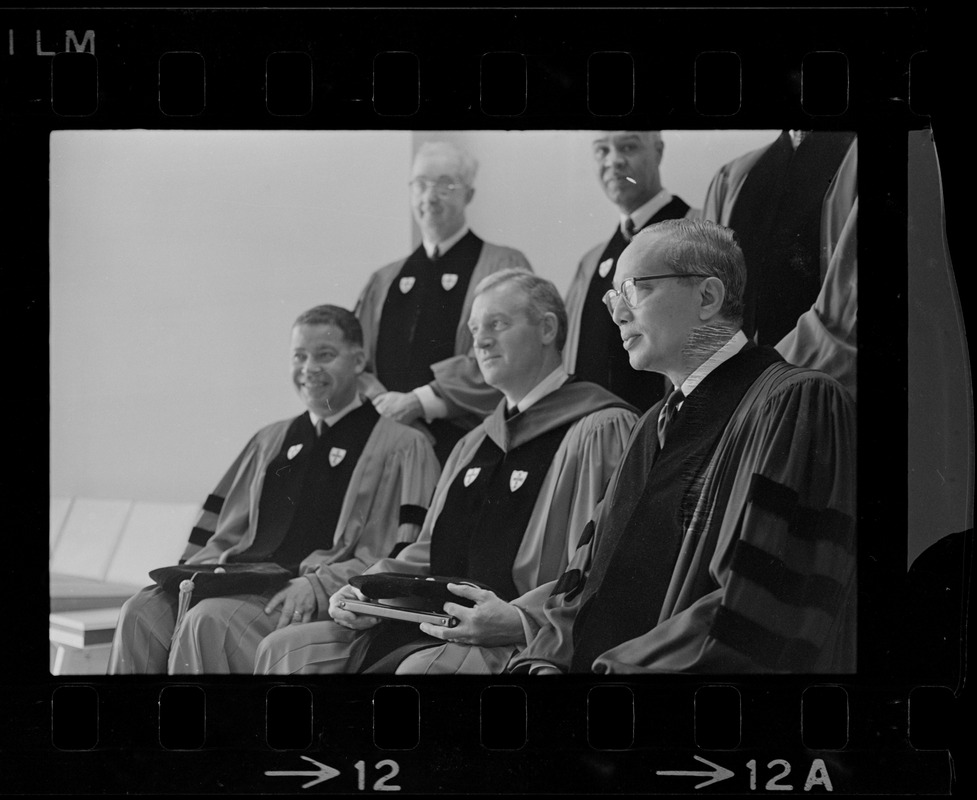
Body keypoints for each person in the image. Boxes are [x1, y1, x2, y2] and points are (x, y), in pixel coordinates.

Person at [511, 219, 857, 675]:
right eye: (613, 297)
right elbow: (587, 579)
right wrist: (544, 662)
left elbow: (754, 608)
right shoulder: (651, 425)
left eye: (634, 290)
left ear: (708, 297)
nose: (617, 313)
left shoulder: (794, 403)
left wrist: (613, 676)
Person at [254, 270, 638, 675]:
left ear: (547, 328)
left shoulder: (600, 428)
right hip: (436, 625)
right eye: (475, 329)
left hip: (525, 635)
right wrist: (367, 588)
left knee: (420, 672)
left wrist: (522, 619)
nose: (480, 341)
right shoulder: (473, 445)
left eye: (497, 324)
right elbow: (429, 552)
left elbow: (596, 567)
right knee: (285, 650)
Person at [107, 305, 440, 674]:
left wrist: (318, 584)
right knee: (138, 610)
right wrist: (194, 575)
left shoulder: (403, 447)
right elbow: (222, 533)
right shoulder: (269, 440)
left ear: (359, 360)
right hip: (238, 579)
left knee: (208, 621)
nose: (309, 368)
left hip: (309, 591)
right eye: (299, 356)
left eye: (325, 355)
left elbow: (396, 553)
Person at [356, 141, 532, 464]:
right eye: (420, 184)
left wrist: (420, 403)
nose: (430, 196)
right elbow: (358, 364)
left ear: (469, 194)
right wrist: (389, 409)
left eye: (445, 185)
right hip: (389, 446)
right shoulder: (384, 280)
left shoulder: (502, 266)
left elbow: (511, 355)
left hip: (469, 446)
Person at [701, 131, 857, 400]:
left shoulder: (857, 155)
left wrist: (759, 383)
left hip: (824, 399)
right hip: (739, 407)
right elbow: (702, 309)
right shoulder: (732, 178)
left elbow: (847, 315)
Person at [563, 130, 695, 413]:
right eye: (602, 150)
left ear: (658, 151)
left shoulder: (699, 231)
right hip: (597, 437)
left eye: (628, 147)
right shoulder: (592, 261)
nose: (614, 161)